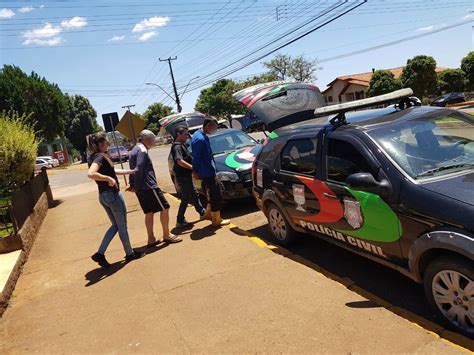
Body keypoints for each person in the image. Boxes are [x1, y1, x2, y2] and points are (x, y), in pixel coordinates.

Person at [87, 132, 145, 269]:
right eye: (107, 142)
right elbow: (91, 174)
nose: (109, 144)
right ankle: (129, 254)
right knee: (122, 225)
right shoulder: (100, 157)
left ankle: (100, 253)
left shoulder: (95, 156)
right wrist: (108, 179)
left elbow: (111, 171)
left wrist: (130, 172)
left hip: (103, 196)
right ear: (101, 144)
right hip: (112, 195)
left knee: (116, 226)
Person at [128, 130, 182, 245]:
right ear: (145, 139)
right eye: (152, 140)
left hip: (142, 188)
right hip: (149, 186)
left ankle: (151, 239)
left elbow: (132, 171)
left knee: (149, 212)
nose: (153, 142)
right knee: (165, 207)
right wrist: (136, 186)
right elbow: (138, 169)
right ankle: (167, 235)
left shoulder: (134, 150)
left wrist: (133, 185)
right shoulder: (142, 150)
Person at [191, 117, 230, 227]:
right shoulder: (200, 139)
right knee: (216, 194)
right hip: (206, 171)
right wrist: (195, 171)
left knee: (215, 191)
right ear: (208, 125)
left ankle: (208, 214)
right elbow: (196, 157)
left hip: (208, 170)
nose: (214, 130)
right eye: (214, 127)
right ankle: (216, 219)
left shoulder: (199, 135)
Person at [171, 126, 207, 227]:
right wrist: (192, 168)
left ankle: (202, 212)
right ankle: (180, 219)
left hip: (185, 176)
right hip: (183, 177)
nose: (187, 136)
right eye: (185, 134)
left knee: (193, 195)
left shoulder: (182, 145)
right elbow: (180, 161)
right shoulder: (177, 146)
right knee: (187, 198)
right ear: (179, 134)